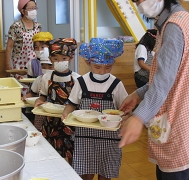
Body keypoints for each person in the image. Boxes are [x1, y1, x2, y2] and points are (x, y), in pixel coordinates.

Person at [119, 0, 189, 179]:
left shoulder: (174, 25)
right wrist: (138, 94)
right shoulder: (176, 21)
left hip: (179, 122)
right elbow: (172, 74)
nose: (139, 4)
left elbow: (164, 81)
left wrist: (138, 117)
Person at [62, 38, 127, 180]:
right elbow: (72, 103)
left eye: (108, 67)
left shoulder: (116, 84)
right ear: (88, 62)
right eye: (97, 67)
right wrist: (66, 113)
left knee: (105, 175)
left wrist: (125, 120)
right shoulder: (81, 82)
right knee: (85, 174)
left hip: (109, 138)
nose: (103, 71)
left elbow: (125, 109)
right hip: (85, 137)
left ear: (113, 63)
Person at [34, 38, 79, 165]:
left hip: (69, 122)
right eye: (55, 59)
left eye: (64, 59)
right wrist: (39, 101)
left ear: (70, 58)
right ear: (50, 59)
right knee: (50, 155)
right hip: (50, 122)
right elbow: (43, 96)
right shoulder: (47, 77)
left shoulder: (77, 79)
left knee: (71, 154)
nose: (60, 62)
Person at [5, 0, 41, 96]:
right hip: (20, 64)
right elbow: (9, 46)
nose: (33, 10)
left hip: (35, 63)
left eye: (35, 8)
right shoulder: (15, 26)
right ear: (22, 11)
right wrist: (8, 64)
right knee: (22, 89)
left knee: (35, 88)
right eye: (30, 8)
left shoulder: (38, 26)